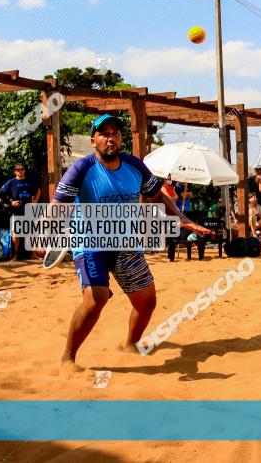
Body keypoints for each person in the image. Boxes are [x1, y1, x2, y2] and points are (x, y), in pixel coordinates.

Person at [52, 114, 210, 378]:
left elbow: (156, 195)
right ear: (93, 141)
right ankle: (67, 358)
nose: (110, 138)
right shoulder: (81, 169)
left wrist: (182, 219)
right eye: (104, 133)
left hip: (124, 242)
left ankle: (130, 345)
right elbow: (57, 207)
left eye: (115, 132)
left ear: (121, 138)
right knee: (96, 299)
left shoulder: (134, 166)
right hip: (89, 243)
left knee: (147, 302)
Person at [0, 163, 40, 261]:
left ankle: (33, 254)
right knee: (16, 234)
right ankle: (14, 256)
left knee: (31, 233)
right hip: (16, 211)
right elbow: (0, 193)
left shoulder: (30, 181)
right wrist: (11, 202)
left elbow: (38, 190)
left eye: (22, 169)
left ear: (24, 170)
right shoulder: (11, 182)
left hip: (29, 210)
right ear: (15, 171)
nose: (20, 171)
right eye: (18, 170)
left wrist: (35, 201)